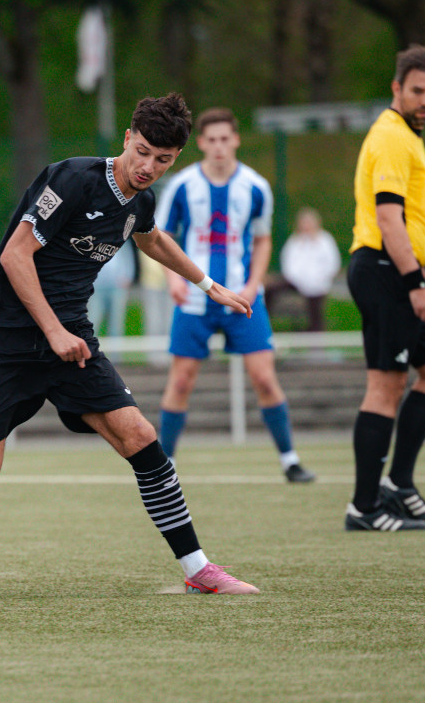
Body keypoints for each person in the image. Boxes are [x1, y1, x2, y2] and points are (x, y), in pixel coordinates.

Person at [0, 93, 260, 595]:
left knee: (141, 437)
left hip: (74, 342)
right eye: (143, 152)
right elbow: (14, 256)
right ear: (128, 138)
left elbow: (151, 238)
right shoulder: (71, 179)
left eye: (163, 160)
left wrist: (207, 284)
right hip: (6, 341)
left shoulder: (142, 201)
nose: (148, 167)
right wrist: (52, 331)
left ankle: (198, 569)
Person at [154, 108, 316, 483]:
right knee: (181, 381)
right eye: (211, 140)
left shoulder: (255, 187)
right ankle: (164, 466)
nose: (219, 147)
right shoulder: (182, 185)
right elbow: (160, 236)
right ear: (201, 143)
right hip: (194, 299)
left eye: (225, 139)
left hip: (242, 298)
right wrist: (173, 280)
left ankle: (290, 460)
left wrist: (254, 284)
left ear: (236, 140)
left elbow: (262, 240)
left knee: (264, 378)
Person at [346, 44, 425, 532]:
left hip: (394, 270)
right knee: (385, 387)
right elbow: (389, 219)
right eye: (418, 91)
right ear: (397, 88)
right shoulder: (391, 135)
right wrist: (417, 284)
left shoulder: (408, 135)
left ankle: (399, 485)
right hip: (386, 270)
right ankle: (364, 508)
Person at [280, 207, 342, 333]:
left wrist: (317, 280)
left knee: (315, 304)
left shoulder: (326, 241)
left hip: (320, 284)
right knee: (272, 289)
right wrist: (299, 281)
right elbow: (288, 265)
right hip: (296, 283)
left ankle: (316, 333)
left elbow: (332, 264)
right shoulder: (294, 241)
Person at [88, 238, 135, 338]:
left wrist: (128, 276)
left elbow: (128, 258)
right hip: (97, 285)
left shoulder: (122, 237)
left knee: (116, 321)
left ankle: (116, 347)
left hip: (117, 286)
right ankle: (90, 345)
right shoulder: (93, 237)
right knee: (94, 319)